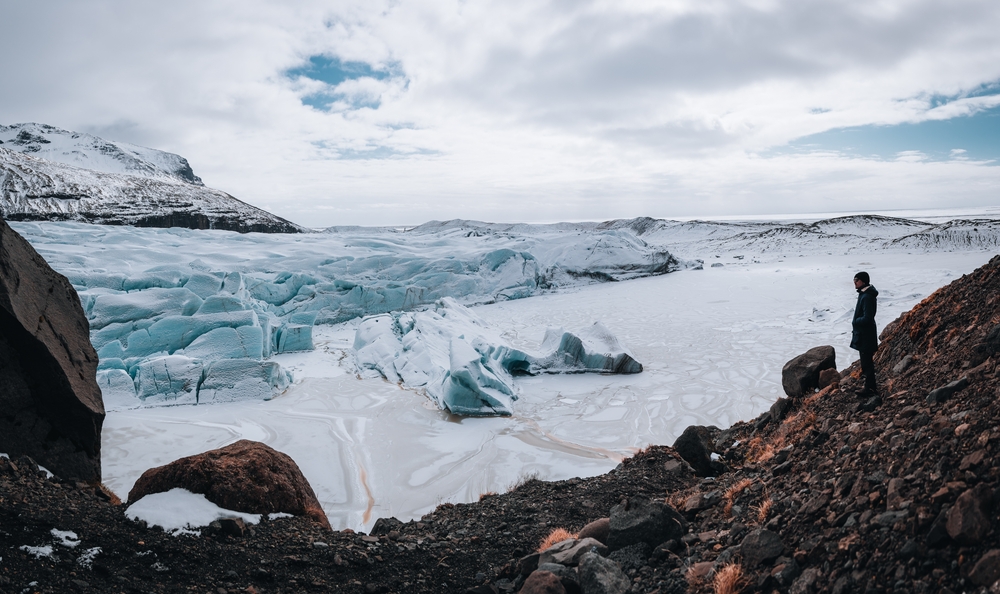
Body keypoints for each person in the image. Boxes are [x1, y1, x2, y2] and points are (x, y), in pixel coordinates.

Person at [850, 271, 879, 397]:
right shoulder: (865, 294)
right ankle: (869, 386)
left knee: (867, 363)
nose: (854, 283)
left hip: (865, 335)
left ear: (863, 281)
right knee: (866, 362)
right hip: (865, 334)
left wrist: (856, 321)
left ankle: (870, 389)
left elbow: (867, 317)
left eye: (856, 280)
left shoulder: (866, 296)